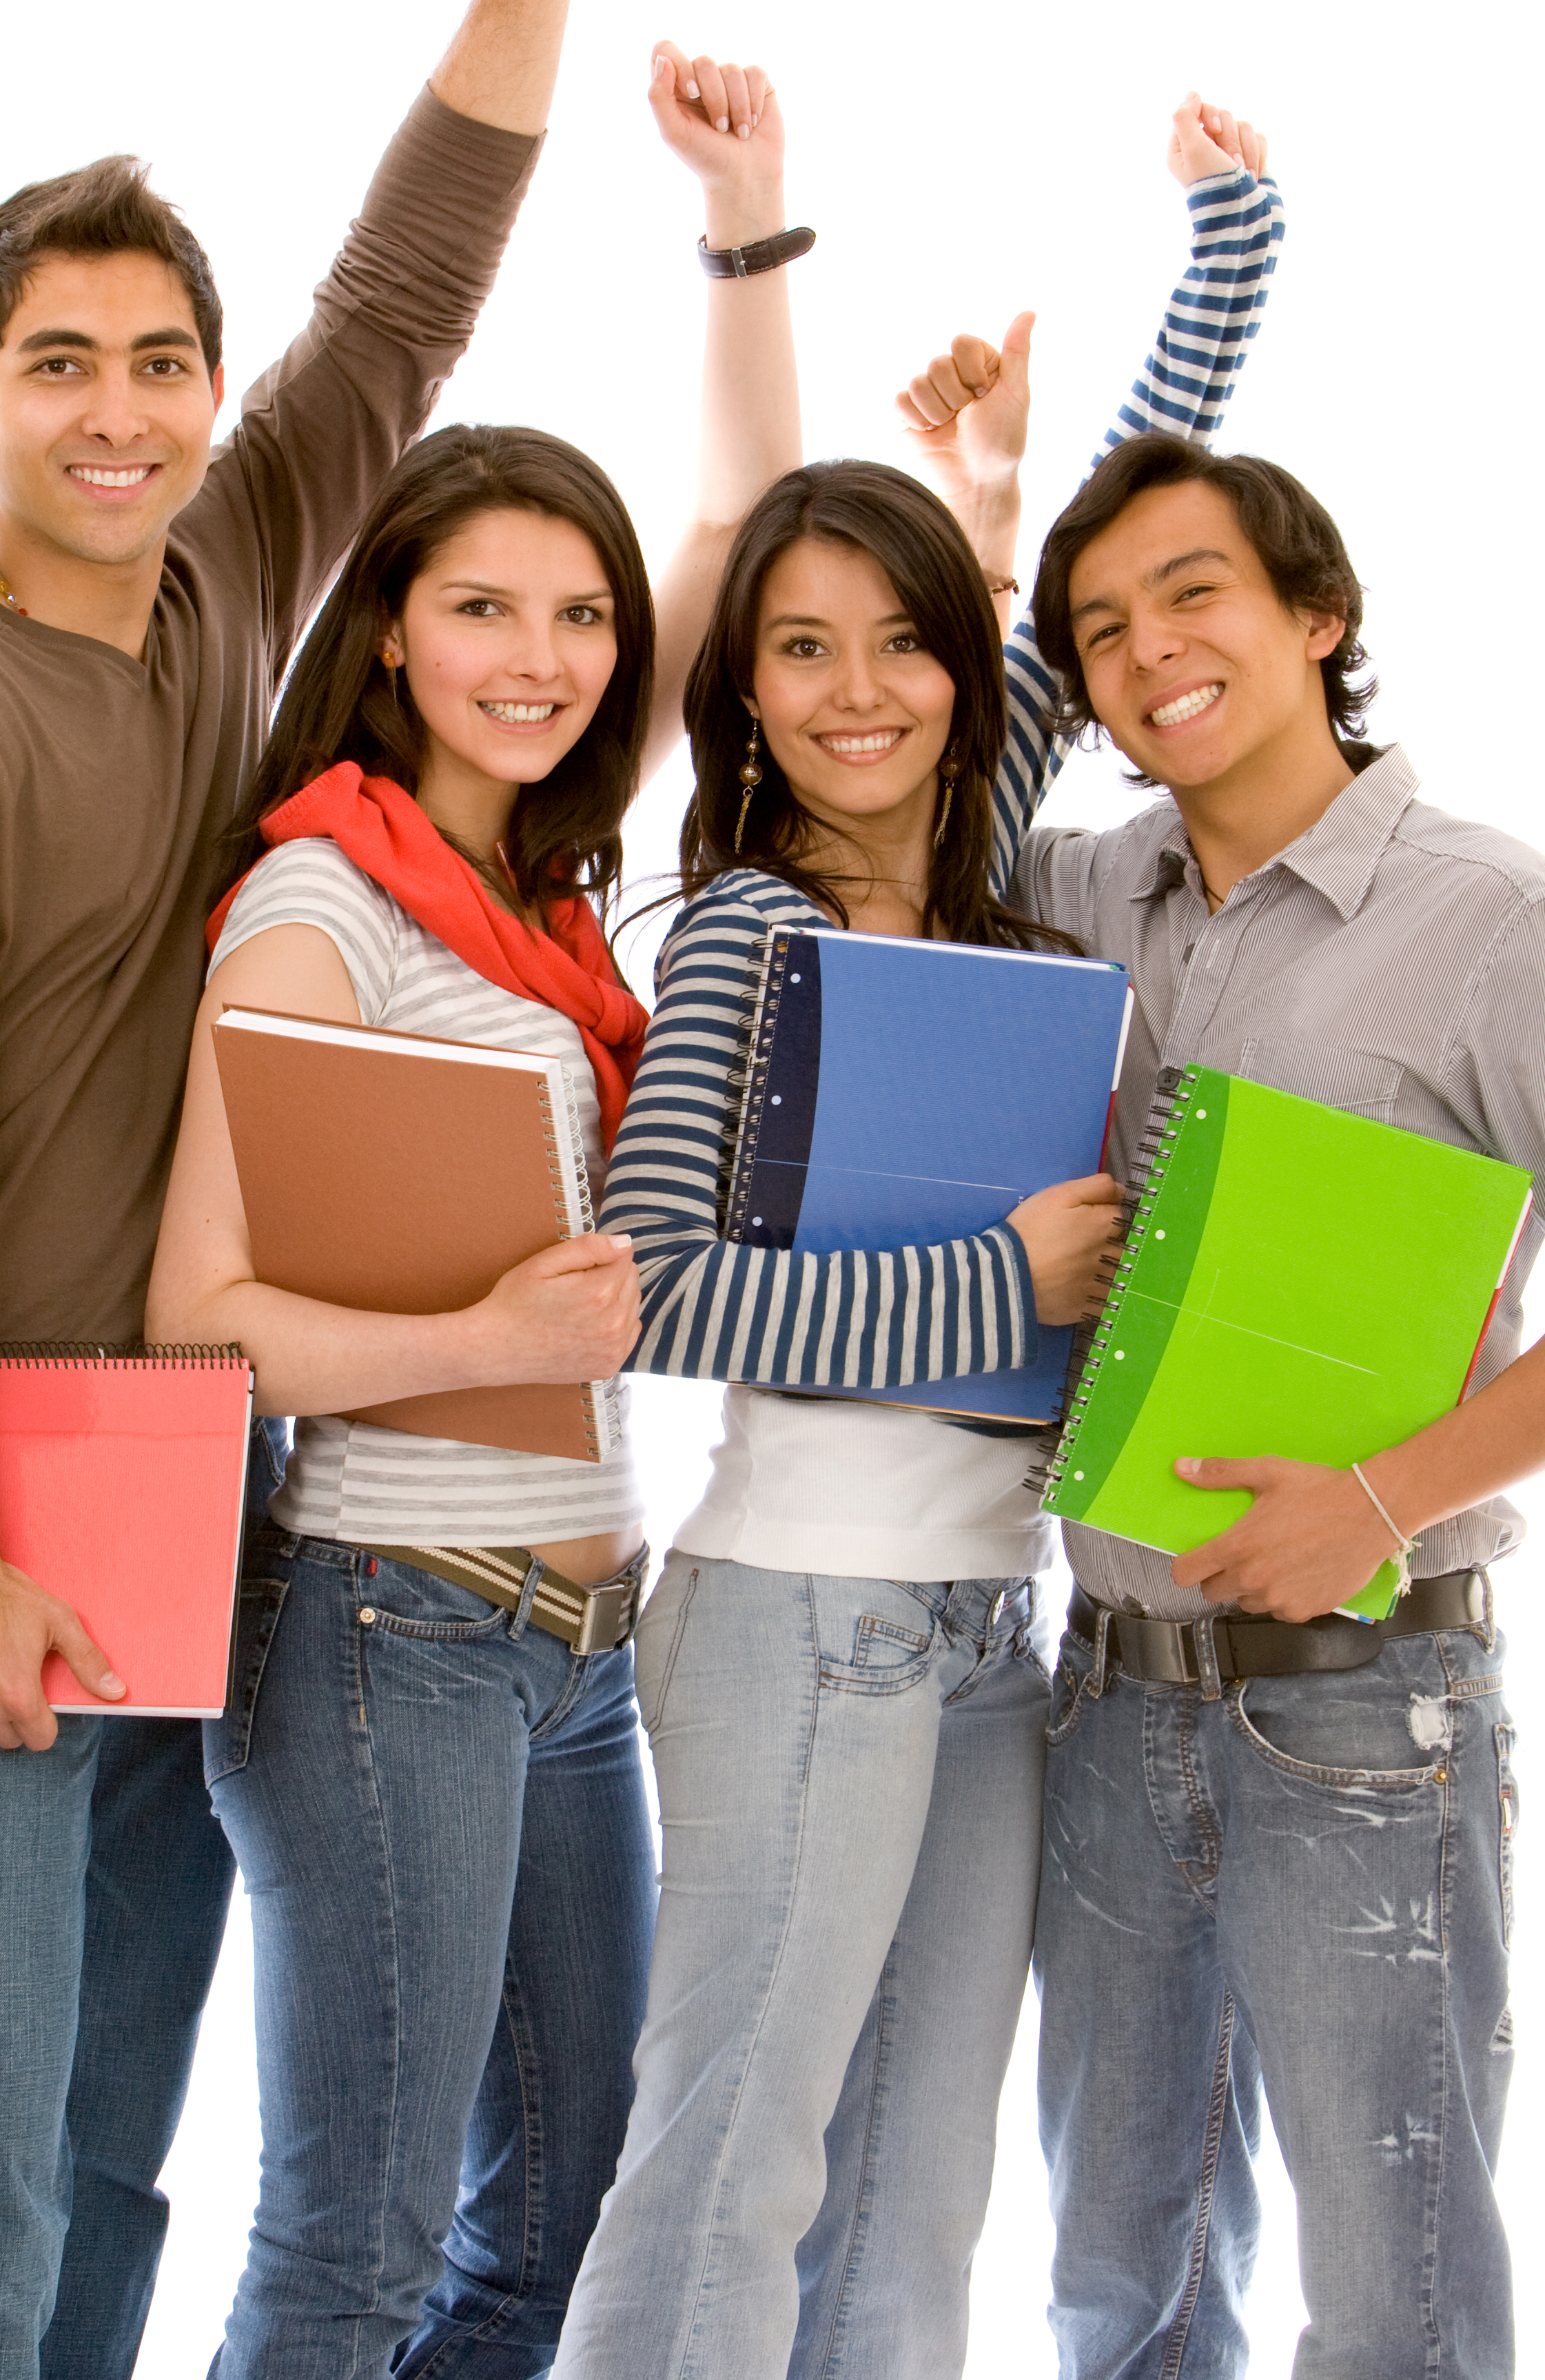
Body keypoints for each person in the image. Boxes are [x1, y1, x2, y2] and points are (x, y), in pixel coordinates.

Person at [0, 5, 585, 2370]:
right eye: (57, 364)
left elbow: (406, 298)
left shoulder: (230, 576)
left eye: (159, 361)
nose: (116, 408)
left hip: (195, 1469)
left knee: (119, 2143)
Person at [553, 99, 1285, 2380]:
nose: (862, 688)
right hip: (801, 1619)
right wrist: (999, 1285)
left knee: (911, 2215)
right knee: (731, 2169)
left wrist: (1230, 243)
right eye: (800, 650)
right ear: (743, 693)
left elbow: (1106, 550)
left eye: (906, 643)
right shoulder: (744, 934)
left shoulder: (991, 883)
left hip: (990, 1635)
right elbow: (653, 1283)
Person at [138, 45, 826, 2376]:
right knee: (350, 2244)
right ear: (395, 625)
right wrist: (495, 1337)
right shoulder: (327, 906)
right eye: (485, 610)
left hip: (570, 1648)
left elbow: (747, 541)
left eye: (581, 621)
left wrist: (746, 239)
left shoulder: (540, 898)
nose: (544, 660)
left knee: (545, 2234)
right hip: (382, 1626)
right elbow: (204, 1317)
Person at [1014, 434, 1545, 2375]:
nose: (1150, 650)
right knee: (1120, 2288)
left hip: (1364, 1706)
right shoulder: (1086, 893)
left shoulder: (1493, 918)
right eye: (1102, 629)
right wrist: (990, 483)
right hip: (1104, 1695)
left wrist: (1381, 1490)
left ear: (1314, 617)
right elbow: (908, 729)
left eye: (1195, 593)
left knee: (1399, 2305)